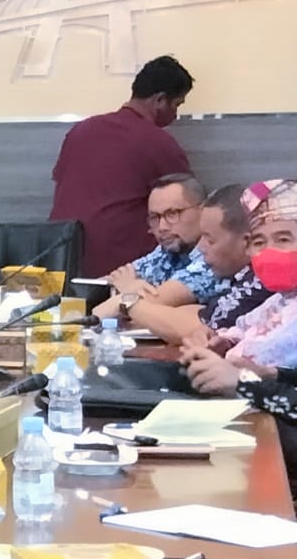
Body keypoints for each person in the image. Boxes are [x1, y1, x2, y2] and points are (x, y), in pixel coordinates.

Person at [50, 55, 195, 278]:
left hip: (59, 260)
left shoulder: (79, 131)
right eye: (176, 105)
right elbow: (189, 208)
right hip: (121, 273)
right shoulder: (159, 143)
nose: (175, 116)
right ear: (160, 100)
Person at [182, 180, 297, 396]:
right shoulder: (279, 301)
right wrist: (221, 342)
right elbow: (243, 329)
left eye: (283, 239)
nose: (269, 251)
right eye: (259, 243)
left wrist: (245, 381)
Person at [122, 183, 269, 344]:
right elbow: (200, 313)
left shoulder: (263, 280)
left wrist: (128, 303)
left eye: (210, 240)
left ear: (248, 242)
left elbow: (196, 328)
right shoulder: (241, 275)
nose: (201, 248)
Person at [97, 174, 222, 320]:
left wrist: (127, 291)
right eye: (155, 217)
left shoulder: (216, 257)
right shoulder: (166, 251)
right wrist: (128, 288)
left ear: (203, 211)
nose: (162, 227)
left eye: (172, 214)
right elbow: (101, 286)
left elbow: (144, 304)